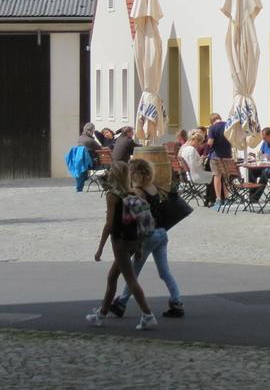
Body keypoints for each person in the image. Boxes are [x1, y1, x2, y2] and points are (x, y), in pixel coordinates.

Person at [85, 161, 156, 330]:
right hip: (132, 239)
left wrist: (100, 247)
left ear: (114, 175)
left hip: (119, 241)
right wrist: (138, 247)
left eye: (110, 172)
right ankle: (101, 314)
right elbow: (136, 220)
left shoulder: (113, 195)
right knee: (112, 277)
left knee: (130, 279)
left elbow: (109, 224)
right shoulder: (131, 192)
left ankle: (148, 315)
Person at [110, 159, 184, 320]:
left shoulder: (138, 191)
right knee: (164, 271)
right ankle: (177, 301)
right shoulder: (153, 188)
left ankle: (121, 302)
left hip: (148, 235)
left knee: (133, 271)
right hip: (162, 233)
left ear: (135, 174)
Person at [179, 129, 215, 206]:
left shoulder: (185, 149)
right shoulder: (191, 150)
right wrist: (202, 159)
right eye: (199, 142)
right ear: (196, 141)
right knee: (215, 175)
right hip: (195, 175)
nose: (200, 145)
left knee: (212, 175)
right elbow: (193, 165)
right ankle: (211, 199)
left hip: (189, 175)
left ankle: (208, 199)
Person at [69, 123, 102, 191]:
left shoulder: (80, 138)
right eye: (93, 131)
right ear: (90, 131)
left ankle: (79, 187)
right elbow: (100, 148)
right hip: (89, 164)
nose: (93, 133)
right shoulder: (90, 140)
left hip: (81, 164)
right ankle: (106, 185)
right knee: (104, 166)